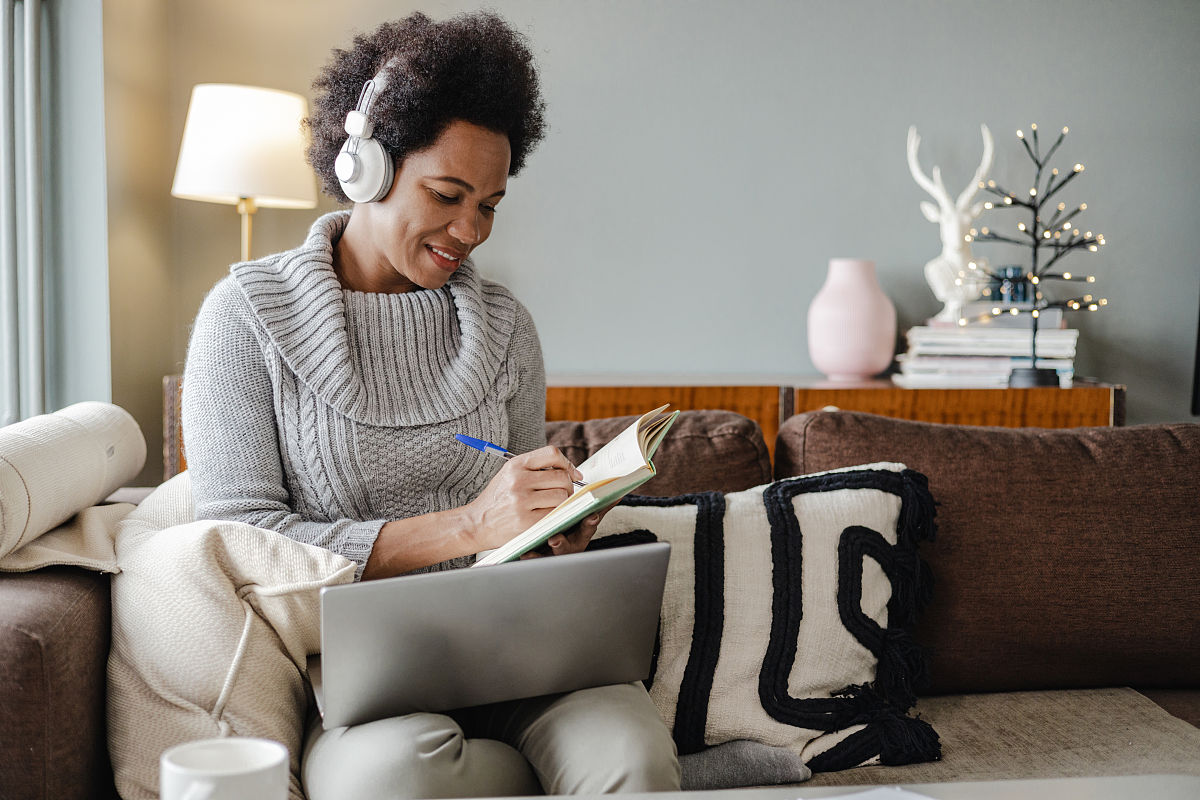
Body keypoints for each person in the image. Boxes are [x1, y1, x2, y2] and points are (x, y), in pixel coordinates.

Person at [180, 10, 680, 799]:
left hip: (521, 651)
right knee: (393, 779)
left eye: (490, 205)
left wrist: (554, 529)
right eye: (448, 195)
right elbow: (241, 547)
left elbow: (516, 531)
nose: (470, 230)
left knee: (631, 753)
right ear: (365, 168)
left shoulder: (506, 327)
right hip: (367, 684)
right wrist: (470, 526)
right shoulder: (245, 318)